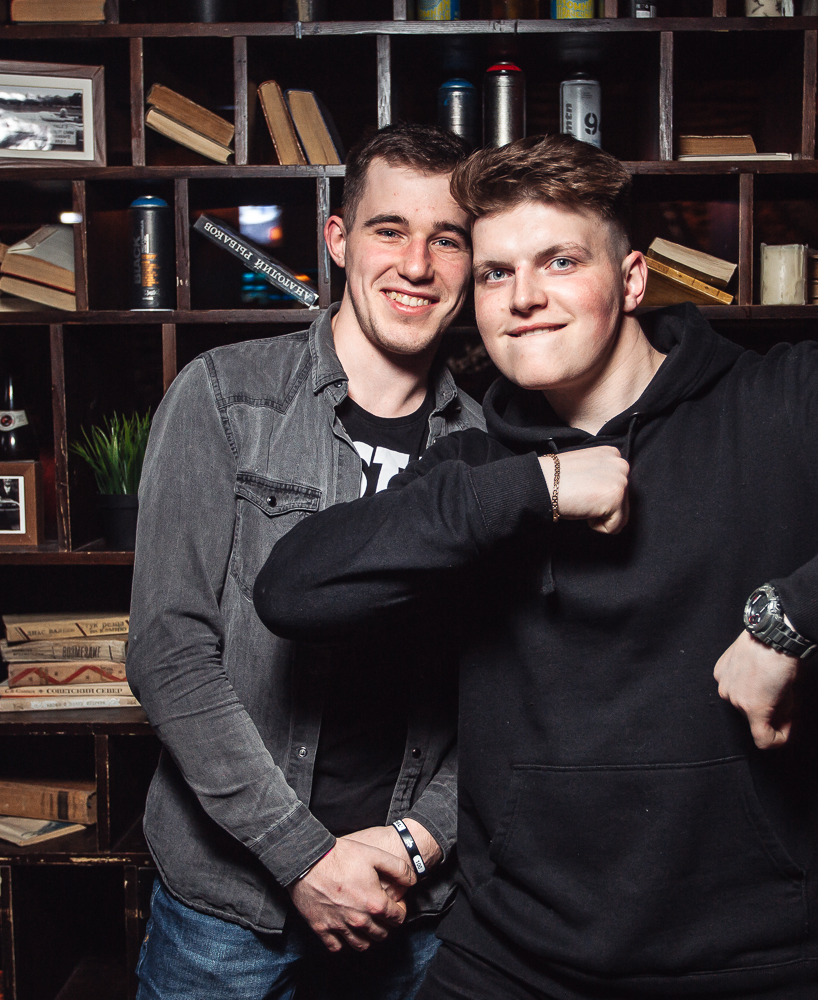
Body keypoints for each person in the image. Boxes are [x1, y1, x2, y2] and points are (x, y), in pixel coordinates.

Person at [254, 135, 818, 999]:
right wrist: (539, 488)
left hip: (757, 964)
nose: (524, 296)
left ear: (633, 280)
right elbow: (294, 589)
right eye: (496, 273)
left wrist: (794, 618)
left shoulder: (781, 404)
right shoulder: (477, 468)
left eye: (561, 260)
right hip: (511, 958)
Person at [128, 122, 483, 1000]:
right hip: (227, 912)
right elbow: (169, 651)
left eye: (448, 239)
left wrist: (414, 845)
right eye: (389, 229)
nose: (417, 264)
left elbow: (507, 692)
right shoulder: (226, 396)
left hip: (410, 906)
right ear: (338, 239)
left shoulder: (490, 448)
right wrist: (304, 857)